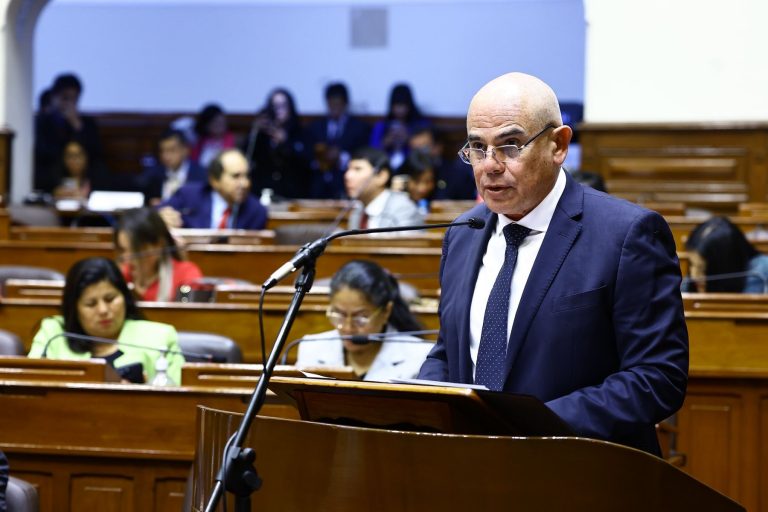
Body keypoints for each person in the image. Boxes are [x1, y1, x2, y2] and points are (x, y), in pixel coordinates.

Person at [417, 72, 688, 456]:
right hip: (473, 467)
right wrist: (425, 405)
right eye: (477, 148)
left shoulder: (627, 233)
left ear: (558, 145)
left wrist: (528, 427)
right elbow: (449, 352)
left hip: (582, 470)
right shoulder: (463, 234)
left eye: (510, 146)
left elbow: (657, 377)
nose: (490, 166)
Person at [28, 257, 185, 384]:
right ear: (74, 308)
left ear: (125, 298)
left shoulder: (160, 336)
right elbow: (31, 383)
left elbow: (180, 398)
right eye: (91, 304)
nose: (103, 310)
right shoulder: (54, 333)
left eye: (110, 299)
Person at [296, 260, 431, 381]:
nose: (348, 328)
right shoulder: (311, 347)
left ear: (386, 311)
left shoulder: (420, 356)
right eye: (339, 314)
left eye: (360, 317)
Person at [158, 148, 268, 230]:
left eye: (247, 176)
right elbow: (155, 214)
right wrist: (161, 217)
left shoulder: (257, 211)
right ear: (214, 180)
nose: (245, 184)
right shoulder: (189, 195)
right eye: (236, 176)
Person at [34, 73, 104, 193]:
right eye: (65, 98)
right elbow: (43, 152)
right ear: (54, 97)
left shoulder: (86, 123)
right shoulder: (42, 121)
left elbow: (95, 153)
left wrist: (78, 127)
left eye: (74, 99)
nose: (69, 104)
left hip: (82, 178)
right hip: (52, 177)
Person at [115, 207, 203, 301]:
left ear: (159, 245)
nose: (127, 259)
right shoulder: (122, 275)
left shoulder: (186, 275)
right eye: (123, 250)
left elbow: (188, 308)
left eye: (135, 251)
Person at [305, 82, 371, 199]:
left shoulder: (359, 128)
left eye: (338, 104)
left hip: (345, 184)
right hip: (318, 186)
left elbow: (363, 155)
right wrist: (322, 158)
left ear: (345, 103)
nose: (334, 108)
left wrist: (341, 157)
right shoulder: (315, 127)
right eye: (331, 104)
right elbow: (307, 156)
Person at [243, 88, 311, 199]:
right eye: (275, 106)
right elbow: (247, 156)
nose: (279, 110)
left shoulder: (301, 133)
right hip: (263, 192)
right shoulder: (262, 134)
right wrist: (254, 131)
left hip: (292, 193)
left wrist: (285, 143)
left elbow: (305, 163)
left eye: (283, 106)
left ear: (290, 107)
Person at [345, 147, 424, 230]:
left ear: (382, 176)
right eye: (348, 169)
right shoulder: (358, 210)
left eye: (357, 169)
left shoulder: (404, 210)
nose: (347, 176)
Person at [684, 216, 768, 293]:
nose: (694, 275)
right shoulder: (690, 278)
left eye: (702, 269)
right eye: (691, 264)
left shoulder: (760, 273)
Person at [137, 129, 207, 205]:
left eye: (172, 150)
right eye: (162, 151)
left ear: (186, 150)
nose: (166, 156)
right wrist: (151, 202)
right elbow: (145, 198)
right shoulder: (152, 174)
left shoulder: (201, 174)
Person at [370, 83, 430, 169]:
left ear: (409, 105)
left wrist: (408, 139)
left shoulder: (421, 125)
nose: (400, 109)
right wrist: (387, 141)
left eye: (403, 105)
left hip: (413, 167)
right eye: (396, 105)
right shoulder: (381, 125)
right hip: (386, 167)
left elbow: (426, 151)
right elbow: (372, 152)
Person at [408, 127, 477, 200]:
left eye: (424, 148)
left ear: (438, 147)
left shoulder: (457, 175)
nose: (418, 154)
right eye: (415, 149)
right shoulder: (406, 169)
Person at [190, 104, 236, 168]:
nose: (219, 126)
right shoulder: (199, 142)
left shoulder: (233, 141)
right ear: (206, 125)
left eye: (221, 123)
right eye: (215, 122)